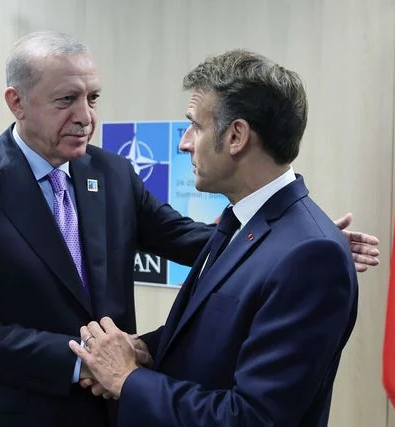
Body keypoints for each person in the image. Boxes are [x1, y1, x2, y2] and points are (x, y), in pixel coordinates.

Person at [0, 31, 377, 427]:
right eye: (66, 100)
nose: (85, 116)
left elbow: (187, 238)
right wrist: (83, 361)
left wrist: (284, 242)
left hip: (117, 410)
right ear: (17, 102)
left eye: (92, 98)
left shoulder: (112, 173)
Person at [71, 50, 360, 427]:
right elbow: (213, 337)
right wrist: (143, 349)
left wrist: (128, 380)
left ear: (236, 136)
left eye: (195, 126)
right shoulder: (242, 223)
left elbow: (252, 418)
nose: (184, 143)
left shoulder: (310, 255)